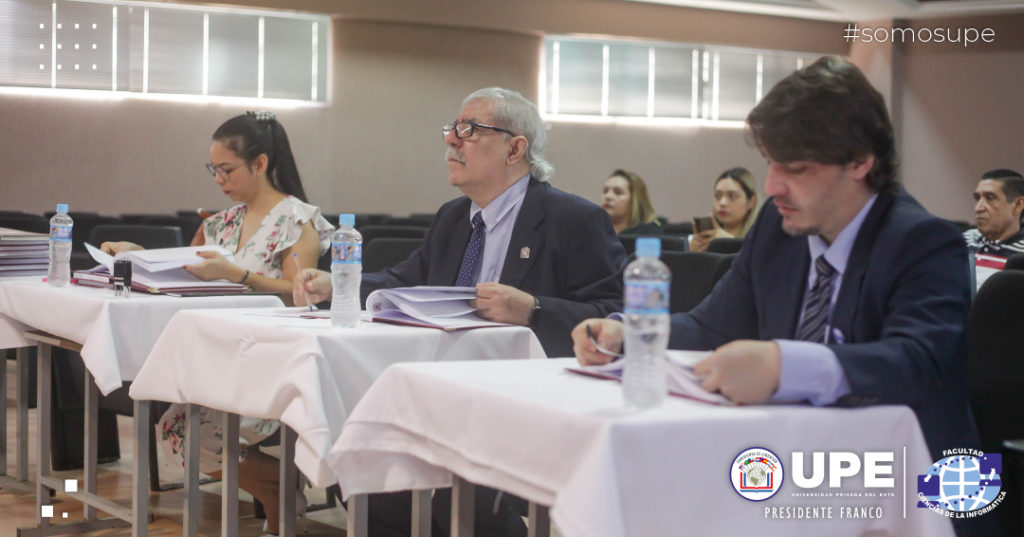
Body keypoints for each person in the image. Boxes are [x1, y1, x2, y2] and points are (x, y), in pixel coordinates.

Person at [573, 56, 991, 537]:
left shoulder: (926, 242)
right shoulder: (778, 225)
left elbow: (915, 362)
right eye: (770, 164)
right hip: (794, 471)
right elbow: (714, 325)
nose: (772, 187)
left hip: (919, 491)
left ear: (860, 162)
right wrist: (630, 333)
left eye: (795, 168)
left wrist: (784, 365)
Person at [296, 87, 627, 537]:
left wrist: (534, 309)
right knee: (364, 470)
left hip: (521, 401)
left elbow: (612, 315)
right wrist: (337, 286)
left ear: (516, 148)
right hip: (439, 390)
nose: (452, 140)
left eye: (469, 130)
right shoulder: (454, 217)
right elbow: (405, 279)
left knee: (464, 504)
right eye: (452, 129)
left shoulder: (573, 219)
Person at [108, 111, 334, 534]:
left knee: (190, 434)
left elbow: (301, 291)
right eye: (213, 169)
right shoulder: (221, 222)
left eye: (226, 169)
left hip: (274, 354)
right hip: (220, 351)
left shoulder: (297, 219)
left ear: (261, 163)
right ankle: (280, 493)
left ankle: (280, 495)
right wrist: (137, 254)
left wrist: (239, 275)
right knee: (177, 431)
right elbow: (186, 272)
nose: (218, 179)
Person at [689, 167, 759, 252]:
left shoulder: (760, 239)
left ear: (751, 201)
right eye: (718, 196)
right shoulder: (707, 241)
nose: (722, 203)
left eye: (732, 196)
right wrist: (692, 254)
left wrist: (728, 242)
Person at [963, 169, 1024, 257]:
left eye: (990, 198)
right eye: (977, 198)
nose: (978, 208)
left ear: (1018, 205)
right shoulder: (965, 240)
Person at [600, 169, 663, 235]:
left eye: (618, 192)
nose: (608, 196)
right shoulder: (592, 230)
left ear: (635, 201)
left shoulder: (650, 234)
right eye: (605, 191)